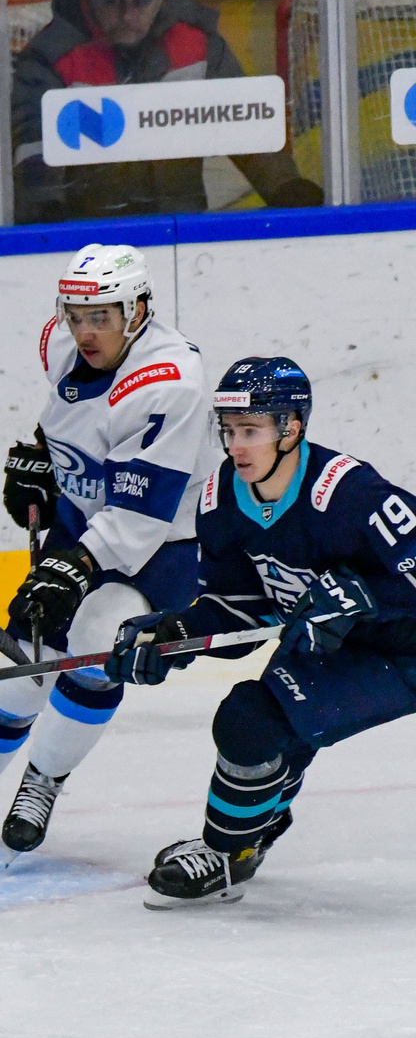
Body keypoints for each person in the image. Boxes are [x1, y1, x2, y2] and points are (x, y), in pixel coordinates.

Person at [0, 243, 212, 853]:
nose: (84, 331)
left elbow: (138, 515)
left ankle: (44, 778)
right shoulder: (61, 340)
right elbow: (76, 427)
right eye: (76, 315)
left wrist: (74, 565)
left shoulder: (170, 383)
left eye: (101, 316)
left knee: (97, 643)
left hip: (170, 541)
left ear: (139, 311)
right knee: (29, 663)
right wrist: (41, 475)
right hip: (88, 519)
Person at [108, 357, 416, 907]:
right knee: (257, 727)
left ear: (291, 428)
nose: (236, 446)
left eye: (250, 431)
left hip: (405, 647)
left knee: (259, 722)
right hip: (330, 647)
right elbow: (243, 613)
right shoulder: (222, 498)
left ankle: (235, 842)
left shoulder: (348, 493)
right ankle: (242, 843)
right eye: (229, 432)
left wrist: (367, 597)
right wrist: (175, 635)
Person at [13, 0, 321, 224]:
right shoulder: (51, 57)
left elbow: (242, 127)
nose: (127, 14)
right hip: (90, 232)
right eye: (113, 2)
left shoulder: (197, 46)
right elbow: (33, 146)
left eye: (139, 2)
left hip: (183, 227)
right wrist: (44, 213)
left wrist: (284, 186)